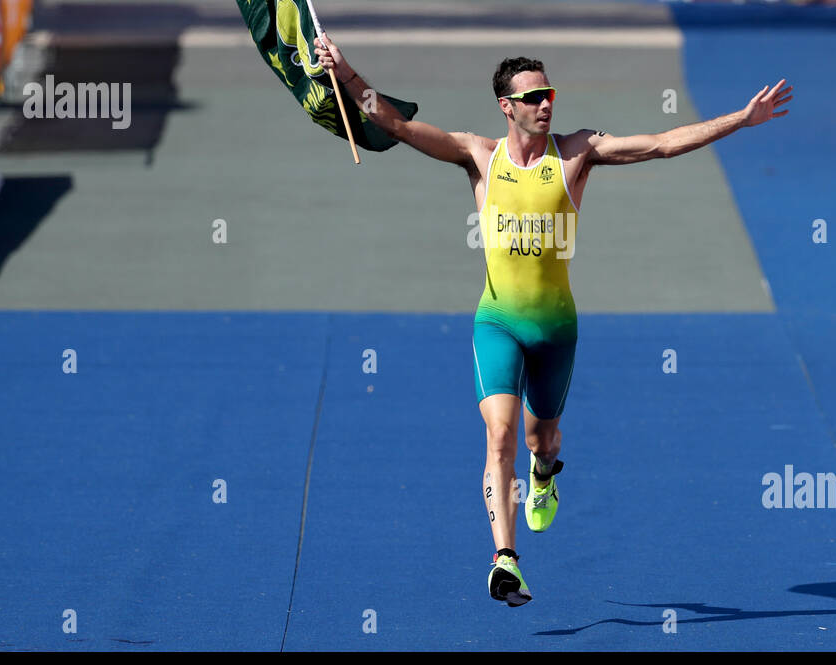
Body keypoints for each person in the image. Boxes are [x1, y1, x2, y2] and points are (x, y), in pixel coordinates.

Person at [310, 35, 793, 605]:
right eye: (533, 95)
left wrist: (740, 119)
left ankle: (545, 473)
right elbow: (395, 125)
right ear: (506, 107)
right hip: (497, 325)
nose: (545, 103)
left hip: (557, 333)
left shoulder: (577, 153)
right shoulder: (478, 156)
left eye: (549, 93)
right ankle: (506, 560)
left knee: (542, 440)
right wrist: (345, 74)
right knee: (500, 437)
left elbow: (661, 144)